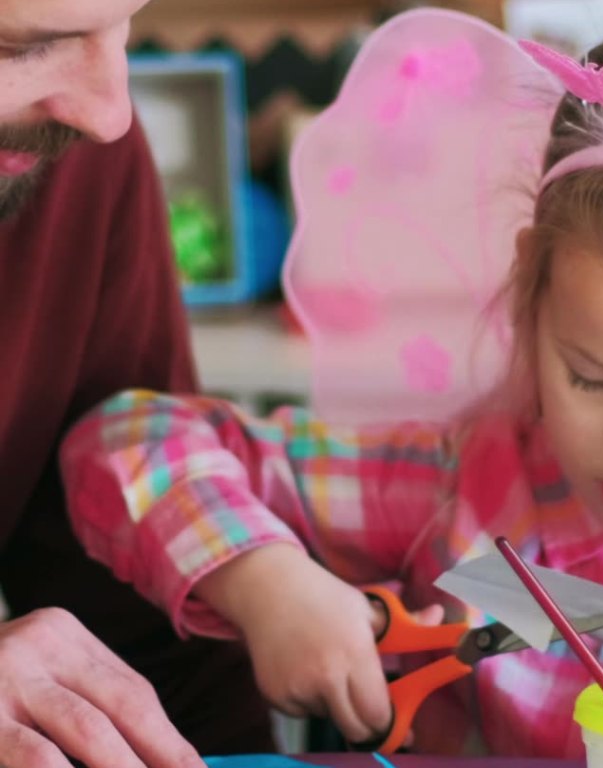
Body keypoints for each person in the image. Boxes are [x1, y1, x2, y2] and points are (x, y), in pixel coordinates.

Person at [60, 13, 603, 761]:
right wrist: (265, 581)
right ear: (530, 289)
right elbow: (125, 442)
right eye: (591, 376)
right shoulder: (459, 487)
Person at [0, 1, 274, 766]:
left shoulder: (69, 161)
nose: (109, 113)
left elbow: (138, 627)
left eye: (126, 24)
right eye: (22, 46)